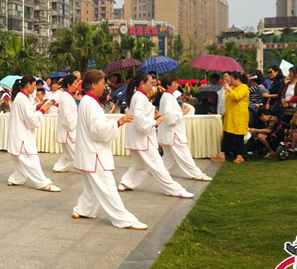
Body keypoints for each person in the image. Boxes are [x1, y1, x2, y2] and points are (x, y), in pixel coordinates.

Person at [72, 69, 146, 230]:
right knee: (107, 186)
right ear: (93, 85)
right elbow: (97, 129)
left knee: (91, 186)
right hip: (94, 152)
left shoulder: (88, 101)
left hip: (89, 151)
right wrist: (119, 122)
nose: (104, 87)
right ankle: (123, 218)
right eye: (102, 83)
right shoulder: (90, 103)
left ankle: (82, 209)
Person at [119, 72, 193, 198]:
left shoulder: (139, 96)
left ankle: (125, 182)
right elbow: (138, 117)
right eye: (150, 82)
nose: (153, 85)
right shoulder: (139, 97)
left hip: (138, 137)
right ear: (142, 83)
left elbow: (139, 116)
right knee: (158, 165)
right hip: (143, 138)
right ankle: (174, 189)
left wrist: (153, 117)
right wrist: (154, 122)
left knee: (140, 165)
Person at [6, 75, 60, 192]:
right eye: (34, 86)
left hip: (17, 135)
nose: (35, 89)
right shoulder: (22, 98)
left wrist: (38, 106)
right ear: (28, 85)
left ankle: (15, 178)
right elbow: (31, 120)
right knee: (31, 159)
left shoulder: (21, 97)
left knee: (22, 163)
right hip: (22, 137)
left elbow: (27, 112)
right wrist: (44, 109)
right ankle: (43, 183)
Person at [158, 74, 211, 180]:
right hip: (173, 133)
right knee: (183, 153)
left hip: (168, 132)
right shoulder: (168, 97)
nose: (177, 85)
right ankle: (195, 173)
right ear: (168, 85)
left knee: (168, 157)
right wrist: (183, 112)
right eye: (175, 83)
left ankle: (159, 171)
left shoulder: (167, 96)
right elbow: (170, 116)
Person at [211, 71, 250, 163]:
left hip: (239, 116)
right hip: (230, 115)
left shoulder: (244, 87)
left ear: (237, 79)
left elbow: (237, 97)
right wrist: (227, 87)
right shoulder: (232, 87)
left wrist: (228, 88)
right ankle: (222, 154)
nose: (230, 81)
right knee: (227, 136)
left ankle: (240, 156)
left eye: (231, 79)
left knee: (238, 137)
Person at [52, 74, 80, 173]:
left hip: (70, 127)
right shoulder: (66, 97)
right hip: (69, 129)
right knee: (76, 151)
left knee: (68, 154)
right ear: (69, 84)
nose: (77, 86)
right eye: (75, 83)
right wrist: (73, 124)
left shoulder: (68, 96)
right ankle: (87, 168)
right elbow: (66, 115)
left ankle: (58, 167)